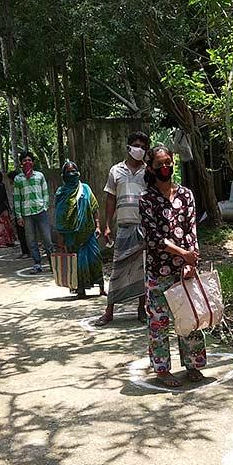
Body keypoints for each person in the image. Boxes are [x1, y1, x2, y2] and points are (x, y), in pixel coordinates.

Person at [139, 145, 206, 388]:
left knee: (189, 318)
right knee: (159, 322)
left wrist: (192, 260)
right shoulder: (146, 199)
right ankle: (162, 370)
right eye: (159, 165)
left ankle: (194, 365)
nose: (165, 168)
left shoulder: (186, 195)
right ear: (150, 168)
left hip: (185, 270)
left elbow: (192, 230)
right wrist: (184, 255)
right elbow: (155, 239)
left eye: (168, 163)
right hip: (159, 271)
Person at [95, 131, 150, 326]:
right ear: (128, 147)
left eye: (143, 147)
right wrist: (107, 224)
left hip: (144, 227)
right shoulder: (115, 171)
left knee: (142, 270)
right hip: (124, 226)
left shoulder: (148, 171)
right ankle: (109, 311)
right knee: (117, 269)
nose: (140, 150)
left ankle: (142, 309)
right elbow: (110, 198)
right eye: (137, 145)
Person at [55, 161, 106, 298]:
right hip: (72, 236)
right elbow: (59, 216)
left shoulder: (85, 188)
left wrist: (98, 226)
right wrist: (61, 240)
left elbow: (94, 207)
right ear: (64, 175)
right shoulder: (61, 193)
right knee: (77, 263)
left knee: (95, 258)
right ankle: (80, 290)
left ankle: (101, 287)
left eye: (73, 171)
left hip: (88, 232)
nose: (71, 174)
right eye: (68, 172)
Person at [13, 152, 54, 274]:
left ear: (33, 162)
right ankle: (37, 263)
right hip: (27, 214)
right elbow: (17, 198)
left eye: (29, 160)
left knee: (47, 239)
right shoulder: (18, 179)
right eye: (24, 160)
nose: (27, 162)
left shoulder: (39, 176)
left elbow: (45, 193)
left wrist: (45, 206)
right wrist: (19, 216)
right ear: (21, 163)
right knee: (31, 240)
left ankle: (53, 264)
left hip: (41, 212)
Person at [7, 170, 30, 259]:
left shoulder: (20, 188)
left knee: (23, 233)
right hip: (18, 213)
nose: (9, 181)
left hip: (22, 213)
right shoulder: (16, 188)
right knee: (21, 234)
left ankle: (27, 251)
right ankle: (25, 251)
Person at [0, 170, 15, 248]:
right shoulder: (1, 185)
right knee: (5, 225)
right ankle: (7, 240)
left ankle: (1, 241)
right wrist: (8, 207)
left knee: (0, 225)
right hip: (2, 207)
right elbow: (4, 198)